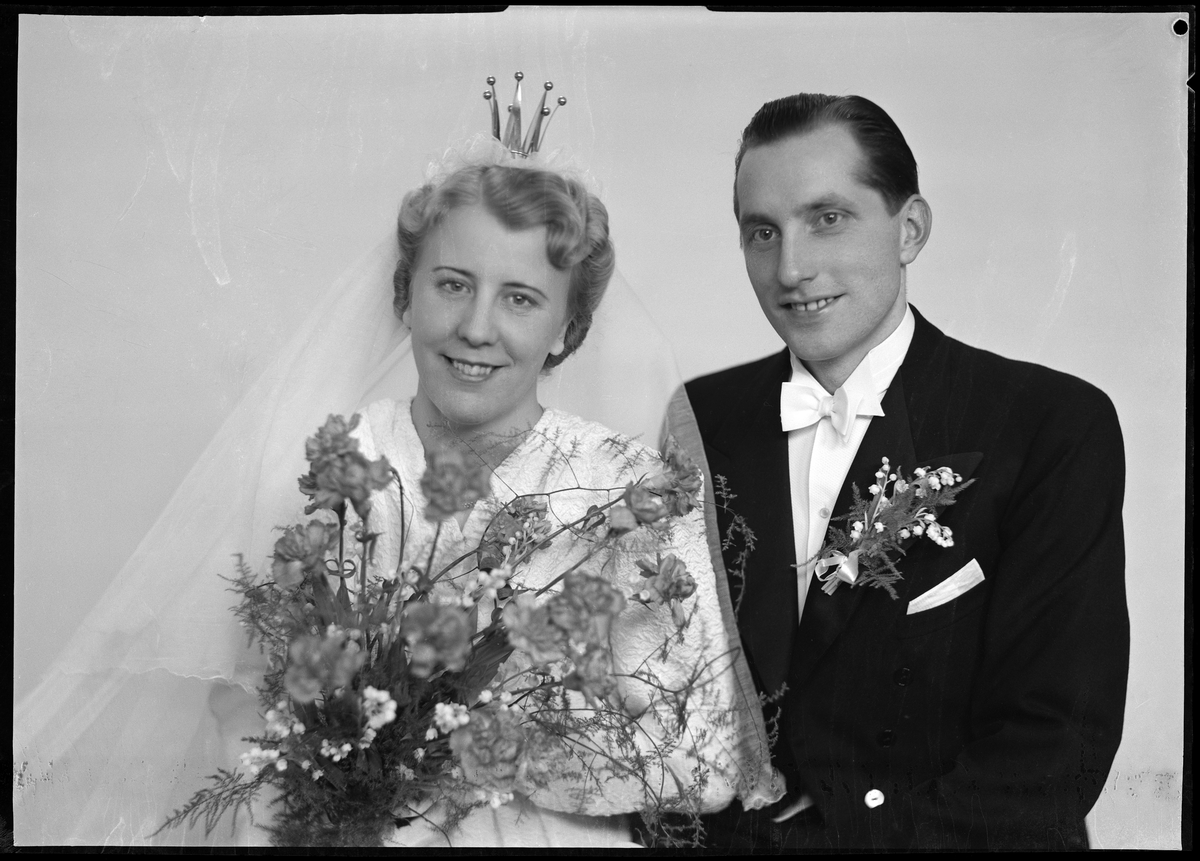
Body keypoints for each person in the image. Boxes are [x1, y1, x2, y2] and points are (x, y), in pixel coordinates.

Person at [12, 140, 780, 847]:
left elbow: (708, 760)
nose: (475, 327)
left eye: (520, 298)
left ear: (566, 328)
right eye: (452, 284)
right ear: (406, 295)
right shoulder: (342, 461)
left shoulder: (628, 485)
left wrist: (489, 749)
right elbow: (260, 705)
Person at [684, 93, 1129, 850]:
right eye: (763, 232)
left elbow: (1056, 747)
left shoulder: (1050, 423)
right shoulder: (699, 418)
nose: (791, 268)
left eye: (828, 218)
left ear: (910, 229)